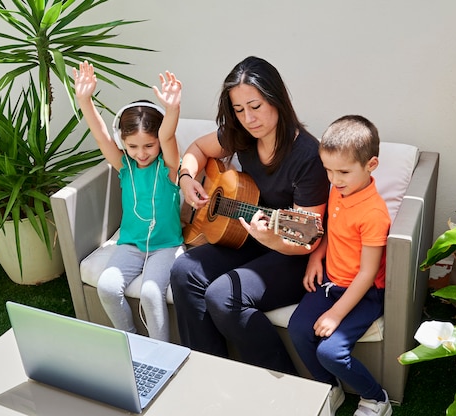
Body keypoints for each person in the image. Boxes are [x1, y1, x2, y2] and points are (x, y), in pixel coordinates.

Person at [170, 56, 329, 375]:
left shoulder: (309, 157)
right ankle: (208, 371)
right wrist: (186, 179)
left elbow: (307, 239)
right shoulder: (239, 135)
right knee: (184, 270)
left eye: (255, 106)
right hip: (250, 236)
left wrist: (272, 237)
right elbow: (197, 150)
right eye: (239, 110)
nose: (248, 118)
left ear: (276, 98)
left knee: (224, 295)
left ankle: (285, 385)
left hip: (290, 255)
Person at [287, 115, 392, 416]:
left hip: (364, 292)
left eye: (343, 171)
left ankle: (376, 399)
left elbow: (367, 272)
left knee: (331, 352)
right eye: (328, 170)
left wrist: (335, 314)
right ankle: (330, 388)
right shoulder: (339, 189)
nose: (334, 179)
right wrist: (315, 256)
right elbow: (332, 229)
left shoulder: (373, 213)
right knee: (298, 329)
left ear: (371, 165)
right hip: (331, 282)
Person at [73, 61, 184, 342]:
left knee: (150, 292)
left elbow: (168, 135)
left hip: (165, 246)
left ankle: (162, 350)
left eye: (149, 145)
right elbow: (100, 134)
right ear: (123, 143)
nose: (141, 153)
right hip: (131, 245)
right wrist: (84, 100)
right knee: (108, 287)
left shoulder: (169, 168)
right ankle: (131, 341)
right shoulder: (125, 167)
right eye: (133, 146)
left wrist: (172, 109)